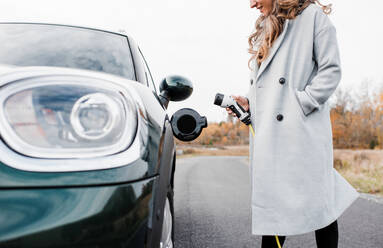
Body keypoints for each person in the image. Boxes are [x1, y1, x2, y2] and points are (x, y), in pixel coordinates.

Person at [226, 0, 360, 247]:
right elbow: (265, 86)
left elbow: (331, 70)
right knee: (274, 209)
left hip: (301, 132)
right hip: (270, 136)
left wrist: (302, 103)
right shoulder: (266, 26)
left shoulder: (313, 17)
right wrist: (249, 104)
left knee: (321, 205)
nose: (252, 3)